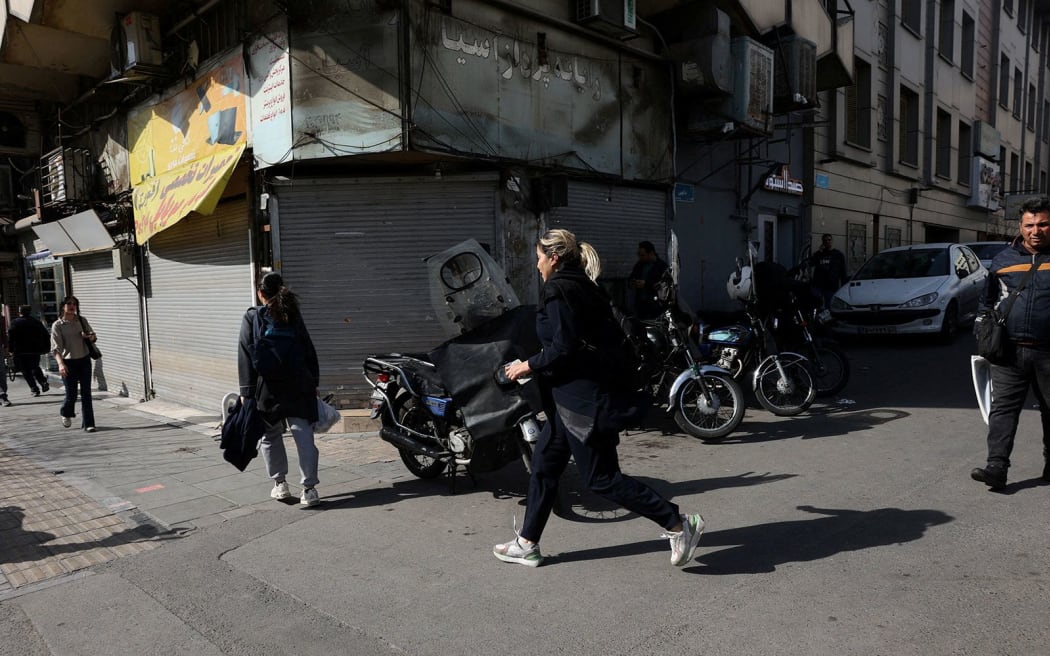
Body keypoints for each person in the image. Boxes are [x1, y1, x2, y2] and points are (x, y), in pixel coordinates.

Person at [495, 229, 704, 568]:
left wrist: (526, 365)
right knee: (544, 468)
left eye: (539, 258)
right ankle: (527, 543)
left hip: (582, 405)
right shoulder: (584, 285)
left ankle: (679, 524)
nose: (536, 265)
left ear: (554, 258)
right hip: (568, 403)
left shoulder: (558, 289)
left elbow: (563, 347)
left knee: (601, 479)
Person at [971, 197, 1050, 490]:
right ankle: (996, 468)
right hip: (1009, 351)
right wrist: (982, 328)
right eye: (1029, 225)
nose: (1035, 231)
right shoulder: (1003, 259)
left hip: (1048, 352)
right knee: (1002, 409)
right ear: (1021, 226)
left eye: (1043, 224)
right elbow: (987, 299)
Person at [237, 272, 322, 507]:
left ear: (260, 293)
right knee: (303, 435)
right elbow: (308, 348)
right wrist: (314, 382)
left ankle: (280, 484)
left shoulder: (252, 316)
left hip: (268, 387)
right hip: (299, 383)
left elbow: (245, 353)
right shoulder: (292, 314)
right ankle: (310, 489)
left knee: (270, 436)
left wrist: (246, 391)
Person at [51, 296, 97, 432]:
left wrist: (90, 336)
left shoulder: (81, 320)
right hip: (68, 362)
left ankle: (89, 424)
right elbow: (56, 348)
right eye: (69, 303)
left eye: (74, 304)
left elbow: (93, 337)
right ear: (63, 306)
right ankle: (66, 412)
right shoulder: (58, 325)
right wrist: (60, 364)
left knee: (86, 393)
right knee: (71, 394)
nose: (72, 306)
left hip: (84, 360)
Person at [8, 305, 52, 397]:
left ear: (20, 312)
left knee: (25, 371)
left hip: (20, 351)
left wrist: (10, 349)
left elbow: (11, 337)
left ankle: (34, 389)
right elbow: (46, 335)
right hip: (35, 350)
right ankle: (43, 381)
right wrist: (45, 347)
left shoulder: (15, 322)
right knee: (35, 367)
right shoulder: (36, 322)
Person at [628, 240, 669, 320]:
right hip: (641, 306)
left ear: (651, 253)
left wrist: (646, 284)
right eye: (639, 255)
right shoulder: (639, 265)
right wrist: (632, 282)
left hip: (655, 307)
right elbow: (632, 277)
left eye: (643, 255)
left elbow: (664, 286)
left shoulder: (662, 267)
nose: (640, 257)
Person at [809, 234, 847, 309]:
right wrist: (819, 252)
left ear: (832, 241)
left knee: (829, 306)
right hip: (818, 284)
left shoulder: (838, 254)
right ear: (822, 242)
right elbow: (811, 263)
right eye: (825, 240)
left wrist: (843, 284)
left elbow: (843, 270)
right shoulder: (819, 254)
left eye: (829, 240)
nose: (827, 242)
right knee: (816, 305)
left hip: (831, 284)